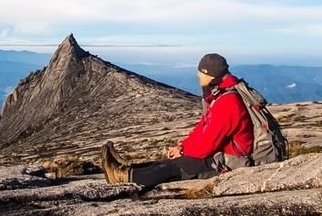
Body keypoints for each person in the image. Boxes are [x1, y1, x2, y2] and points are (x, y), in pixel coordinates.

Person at [100, 53, 254, 188]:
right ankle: (127, 167)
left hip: (231, 162)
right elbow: (203, 127)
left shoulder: (228, 102)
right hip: (222, 154)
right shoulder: (220, 96)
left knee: (180, 166)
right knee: (173, 160)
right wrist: (182, 146)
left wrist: (183, 152)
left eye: (201, 72)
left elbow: (207, 145)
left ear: (211, 75)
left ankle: (123, 177)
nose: (198, 75)